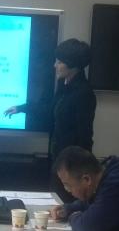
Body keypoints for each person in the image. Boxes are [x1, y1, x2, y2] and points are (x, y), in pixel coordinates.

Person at [5, 39, 96, 202]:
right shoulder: (64, 85)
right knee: (55, 200)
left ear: (72, 65)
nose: (55, 66)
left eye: (59, 62)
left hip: (72, 165)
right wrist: (21, 108)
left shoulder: (84, 93)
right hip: (57, 157)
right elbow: (49, 109)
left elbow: (85, 134)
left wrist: (81, 168)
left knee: (67, 202)